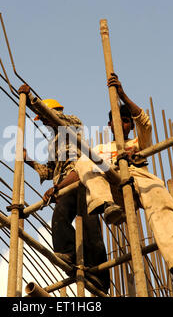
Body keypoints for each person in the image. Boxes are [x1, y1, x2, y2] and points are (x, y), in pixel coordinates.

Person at [74, 73, 173, 284]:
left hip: (138, 178)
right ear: (109, 124)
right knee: (84, 160)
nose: (121, 124)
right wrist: (56, 188)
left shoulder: (139, 141)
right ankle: (105, 205)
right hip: (113, 186)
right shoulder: (101, 149)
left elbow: (145, 123)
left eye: (125, 121)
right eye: (117, 120)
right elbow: (79, 171)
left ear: (130, 125)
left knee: (161, 199)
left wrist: (122, 95)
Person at [18, 84, 114, 293]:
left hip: (80, 179)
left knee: (90, 227)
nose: (42, 121)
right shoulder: (53, 143)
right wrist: (30, 162)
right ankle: (70, 255)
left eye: (43, 117)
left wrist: (33, 100)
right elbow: (49, 171)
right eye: (41, 119)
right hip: (63, 187)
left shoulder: (72, 125)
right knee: (60, 219)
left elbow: (64, 121)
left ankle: (100, 277)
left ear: (55, 113)